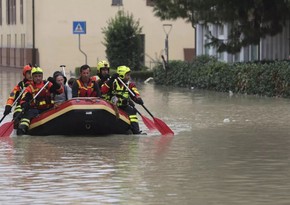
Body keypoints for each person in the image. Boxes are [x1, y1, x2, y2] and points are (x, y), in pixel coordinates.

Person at [17, 66, 63, 135]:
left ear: (42, 76)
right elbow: (22, 100)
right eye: (35, 76)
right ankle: (22, 131)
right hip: (35, 110)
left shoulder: (47, 84)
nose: (38, 78)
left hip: (48, 108)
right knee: (25, 120)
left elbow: (60, 91)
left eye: (39, 76)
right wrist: (25, 104)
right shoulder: (29, 88)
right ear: (32, 77)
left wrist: (54, 82)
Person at [101, 65, 144, 134]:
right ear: (121, 75)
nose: (129, 77)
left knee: (132, 112)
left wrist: (138, 99)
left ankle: (136, 131)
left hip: (124, 106)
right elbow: (103, 90)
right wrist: (111, 79)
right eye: (127, 75)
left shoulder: (130, 85)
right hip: (112, 106)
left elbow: (135, 93)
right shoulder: (111, 82)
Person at [3, 64, 32, 128]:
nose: (31, 75)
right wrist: (8, 106)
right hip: (21, 106)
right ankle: (16, 123)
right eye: (29, 73)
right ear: (25, 74)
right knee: (17, 111)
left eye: (32, 73)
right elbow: (12, 96)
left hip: (32, 106)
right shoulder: (20, 85)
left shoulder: (38, 84)